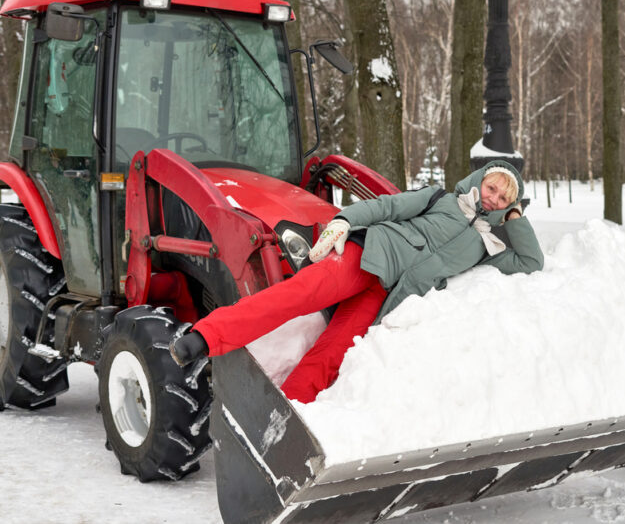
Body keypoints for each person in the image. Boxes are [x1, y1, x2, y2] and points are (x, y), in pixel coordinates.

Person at [169, 160, 544, 403]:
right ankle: (204, 338)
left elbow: (530, 262)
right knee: (296, 295)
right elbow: (387, 207)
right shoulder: (439, 198)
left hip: (385, 296)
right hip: (366, 257)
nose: (494, 198)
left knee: (334, 353)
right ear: (480, 182)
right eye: (493, 189)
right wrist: (344, 220)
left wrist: (514, 218)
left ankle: (285, 414)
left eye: (504, 197)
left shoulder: (486, 244)